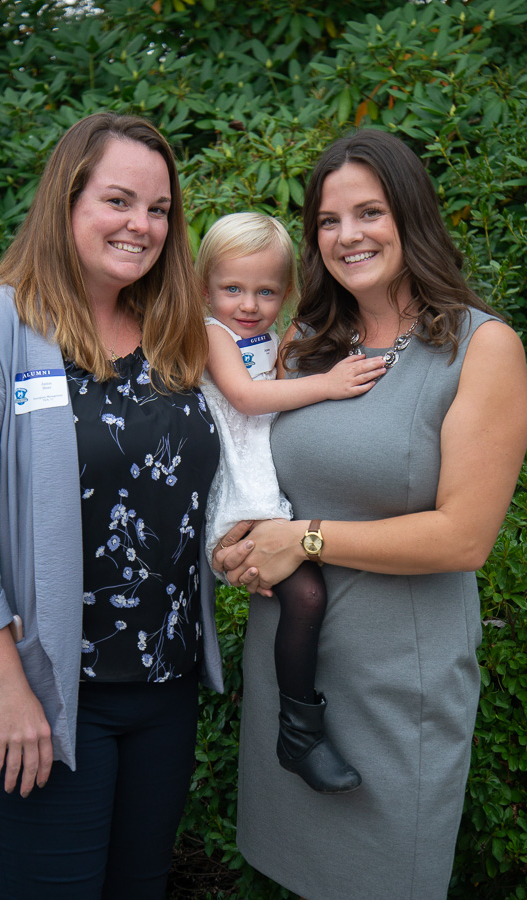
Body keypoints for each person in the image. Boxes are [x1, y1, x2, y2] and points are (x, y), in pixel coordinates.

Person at [214, 130, 527, 899]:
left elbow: (465, 537)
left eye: (370, 212)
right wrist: (241, 541)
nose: (348, 235)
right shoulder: (309, 342)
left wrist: (304, 539)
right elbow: (256, 465)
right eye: (328, 220)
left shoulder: (481, 351)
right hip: (292, 669)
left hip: (397, 684)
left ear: (410, 215)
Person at [0, 112, 223, 900]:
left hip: (164, 688)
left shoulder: (175, 333)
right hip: (43, 695)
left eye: (159, 209)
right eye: (119, 201)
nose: (143, 225)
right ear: (66, 201)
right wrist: (4, 686)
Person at [198, 212, 385, 793]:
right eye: (232, 288)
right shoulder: (211, 333)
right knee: (305, 593)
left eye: (266, 291)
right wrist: (329, 383)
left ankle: (299, 727)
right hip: (235, 493)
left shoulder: (274, 340)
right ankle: (299, 730)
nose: (248, 304)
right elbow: (248, 399)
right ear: (205, 288)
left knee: (304, 594)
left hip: (265, 489)